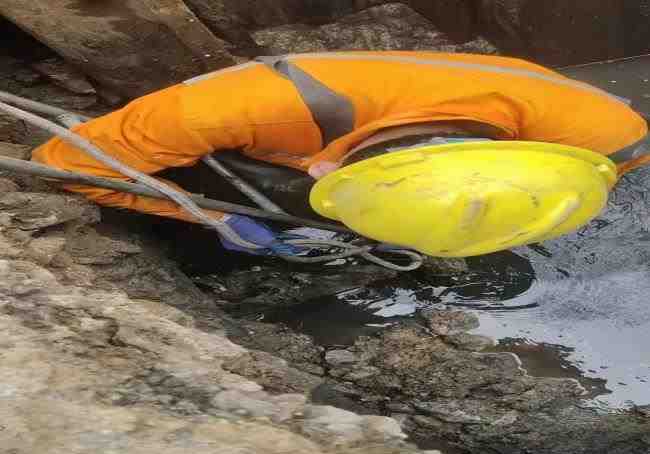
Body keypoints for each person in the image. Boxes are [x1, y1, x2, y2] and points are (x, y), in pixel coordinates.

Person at [32, 51, 650, 257]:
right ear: (329, 162)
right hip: (273, 123)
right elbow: (61, 164)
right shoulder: (219, 111)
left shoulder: (613, 138)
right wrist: (211, 216)